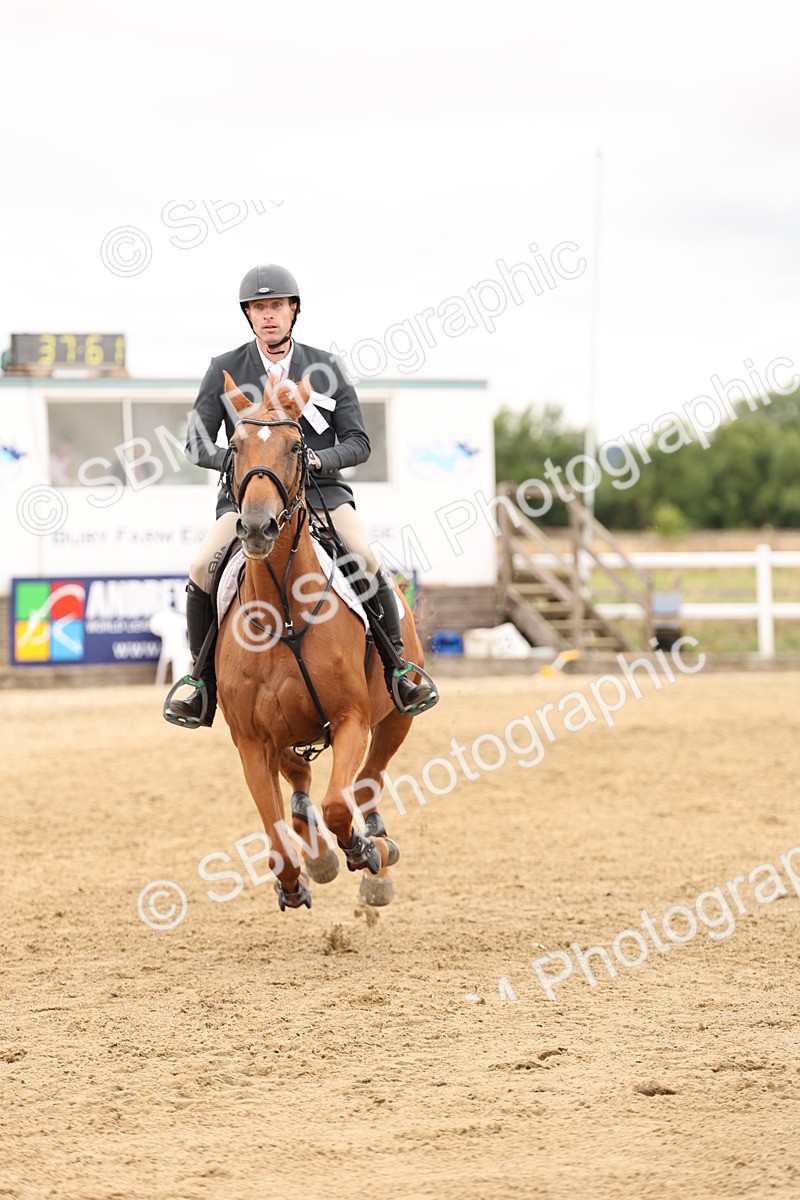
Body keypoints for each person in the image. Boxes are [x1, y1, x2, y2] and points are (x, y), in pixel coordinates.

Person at [167, 262, 437, 728]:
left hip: (322, 493)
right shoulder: (224, 369)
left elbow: (359, 442)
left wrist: (315, 461)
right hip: (248, 499)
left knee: (365, 558)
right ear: (248, 316)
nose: (268, 315)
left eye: (276, 306)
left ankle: (399, 671)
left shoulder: (325, 369)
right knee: (200, 567)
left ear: (293, 311)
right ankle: (200, 681)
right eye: (258, 308)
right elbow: (195, 442)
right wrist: (237, 463)